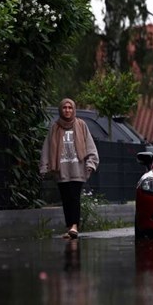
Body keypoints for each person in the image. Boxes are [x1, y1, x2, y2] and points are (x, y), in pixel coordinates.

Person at [40, 98, 99, 239]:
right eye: (65, 108)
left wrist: (90, 163)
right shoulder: (55, 127)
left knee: (74, 197)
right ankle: (69, 227)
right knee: (66, 199)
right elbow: (47, 148)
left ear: (74, 109)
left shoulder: (81, 125)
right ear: (61, 110)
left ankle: (74, 226)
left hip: (77, 169)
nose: (67, 110)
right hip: (61, 170)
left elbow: (90, 146)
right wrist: (44, 167)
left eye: (70, 107)